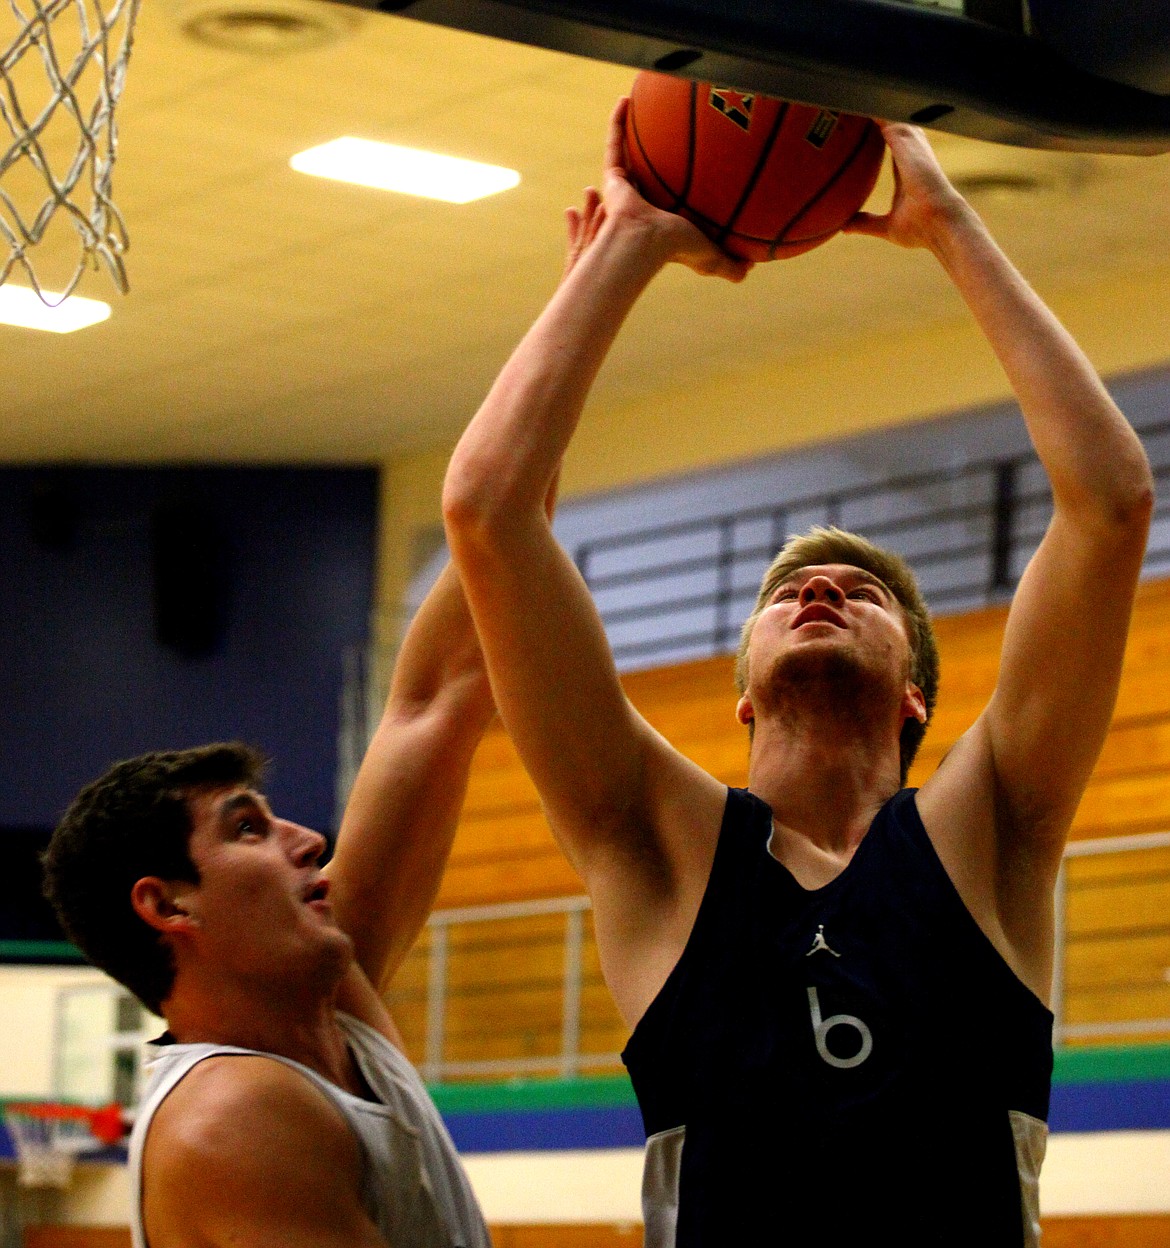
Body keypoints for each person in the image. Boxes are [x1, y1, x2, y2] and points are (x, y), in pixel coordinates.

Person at [441, 99, 1154, 1247]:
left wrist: (950, 227)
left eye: (861, 595)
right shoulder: (656, 847)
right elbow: (486, 512)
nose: (818, 593)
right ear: (743, 692)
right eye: (786, 596)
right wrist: (627, 244)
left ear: (916, 689)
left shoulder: (991, 829)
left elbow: (1112, 504)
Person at [42, 560, 497, 1248]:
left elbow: (439, 698)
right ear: (169, 906)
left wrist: (515, 481)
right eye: (247, 828)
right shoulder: (232, 1115)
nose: (311, 842)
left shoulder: (331, 1012)